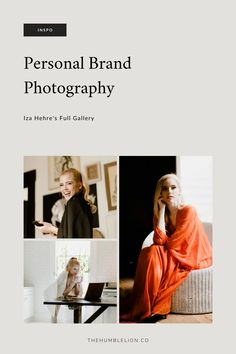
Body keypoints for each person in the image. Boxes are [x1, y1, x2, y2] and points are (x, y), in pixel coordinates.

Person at [120, 173, 212, 323]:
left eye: (173, 188)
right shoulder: (161, 214)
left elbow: (174, 244)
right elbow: (158, 240)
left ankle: (154, 307)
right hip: (175, 252)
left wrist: (162, 243)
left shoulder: (188, 211)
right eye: (165, 189)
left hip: (194, 255)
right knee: (149, 253)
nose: (169, 192)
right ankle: (147, 308)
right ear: (160, 193)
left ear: (179, 191)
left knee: (154, 252)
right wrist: (161, 211)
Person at [36, 168, 96, 238]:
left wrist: (51, 229)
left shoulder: (73, 203)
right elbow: (75, 235)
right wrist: (53, 230)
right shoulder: (82, 203)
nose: (64, 188)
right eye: (61, 185)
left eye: (69, 183)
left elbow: (71, 237)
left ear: (79, 185)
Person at [45, 257, 83, 323]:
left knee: (79, 308)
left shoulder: (76, 277)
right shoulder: (64, 275)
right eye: (74, 269)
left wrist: (78, 283)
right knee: (54, 312)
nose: (76, 271)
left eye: (78, 269)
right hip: (58, 294)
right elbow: (63, 293)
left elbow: (77, 293)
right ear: (69, 268)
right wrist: (72, 283)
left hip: (69, 297)